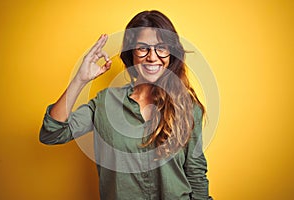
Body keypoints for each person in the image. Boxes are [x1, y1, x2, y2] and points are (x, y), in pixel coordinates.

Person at [40, 10, 212, 200]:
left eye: (161, 48)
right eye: (143, 48)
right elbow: (52, 133)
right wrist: (80, 80)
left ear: (171, 54)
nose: (152, 57)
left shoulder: (187, 106)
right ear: (131, 53)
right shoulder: (105, 103)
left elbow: (196, 174)